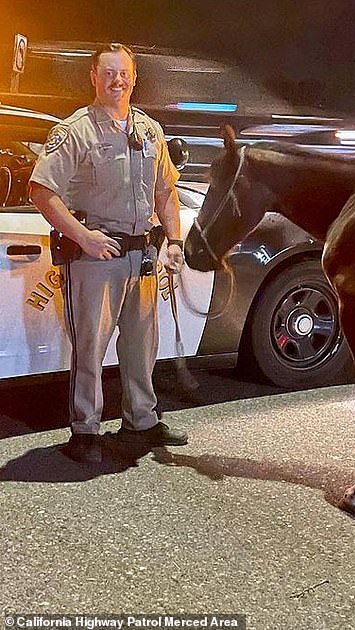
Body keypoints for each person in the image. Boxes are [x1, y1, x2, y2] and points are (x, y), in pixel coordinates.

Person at [29, 43, 188, 464]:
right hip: (95, 258)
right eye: (109, 73)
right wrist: (84, 237)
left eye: (124, 73)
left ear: (134, 78)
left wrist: (173, 241)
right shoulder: (77, 130)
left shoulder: (150, 130)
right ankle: (85, 431)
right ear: (94, 78)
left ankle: (142, 420)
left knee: (141, 348)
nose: (117, 80)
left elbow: (165, 191)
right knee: (91, 350)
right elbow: (42, 191)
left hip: (142, 258)